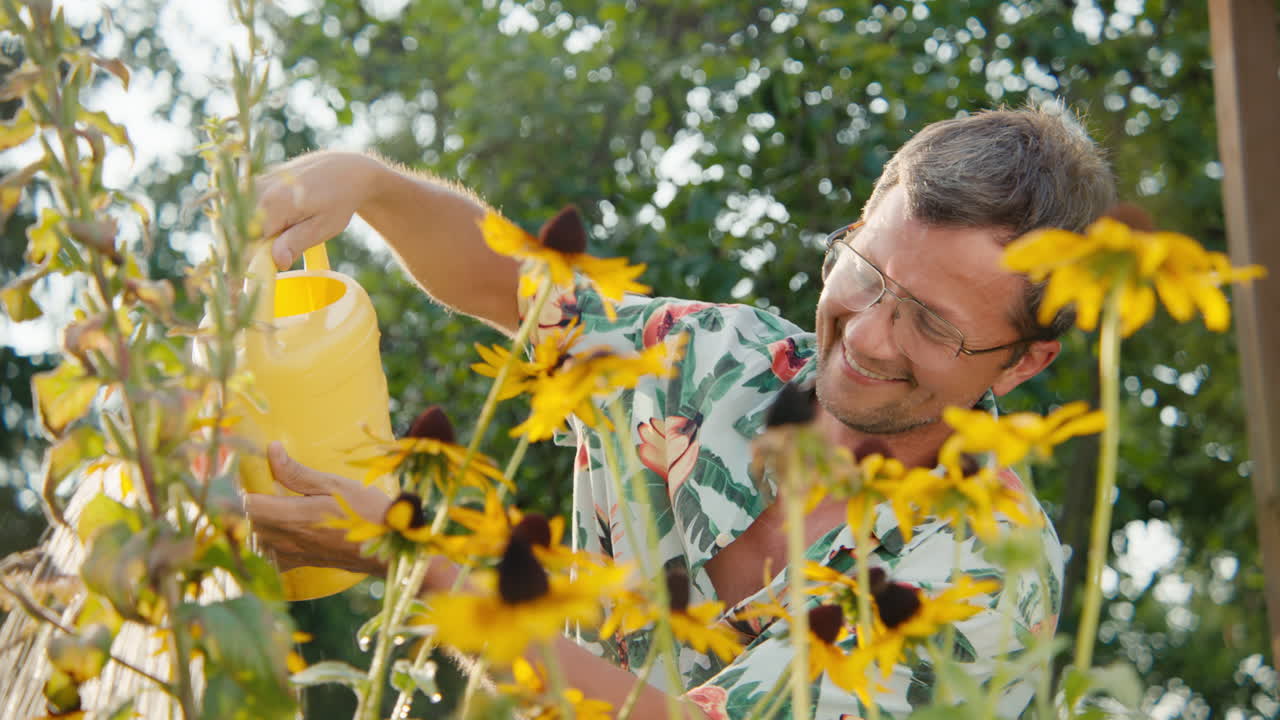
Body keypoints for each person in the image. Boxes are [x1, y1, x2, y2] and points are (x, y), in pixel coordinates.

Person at [246, 106, 1117, 718]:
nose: (873, 339)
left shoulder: (991, 570)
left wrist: (422, 571)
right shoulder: (709, 355)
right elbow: (508, 285)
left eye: (931, 324)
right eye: (868, 274)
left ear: (1027, 359)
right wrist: (368, 185)